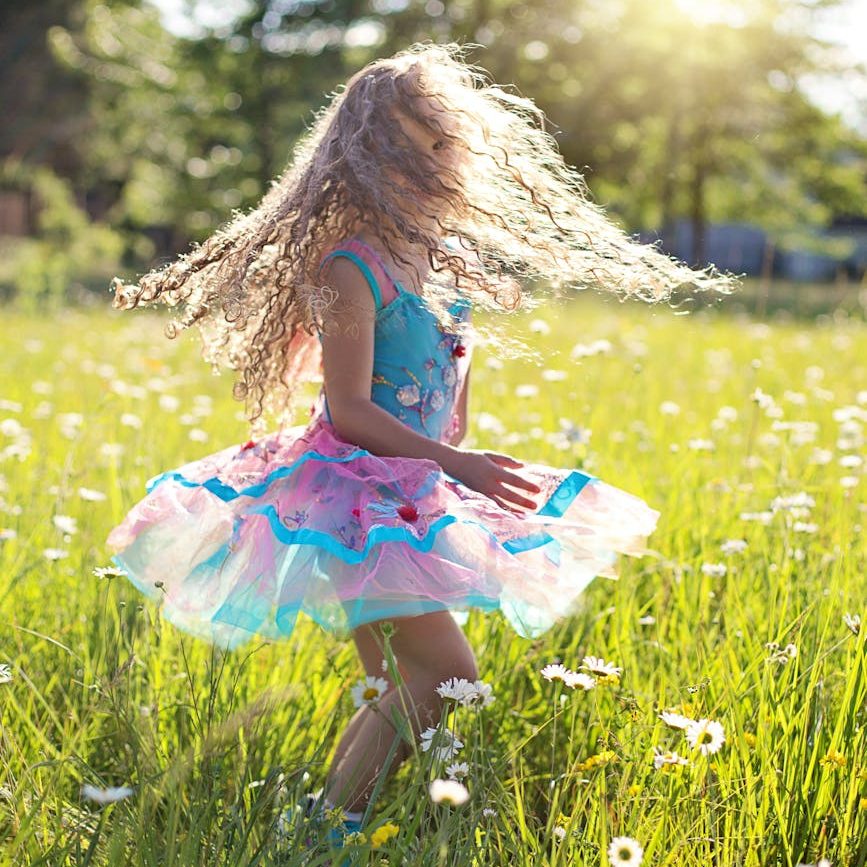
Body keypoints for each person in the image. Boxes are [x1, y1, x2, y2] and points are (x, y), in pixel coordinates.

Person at [105, 41, 737, 851]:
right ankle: (328, 825)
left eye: (445, 143)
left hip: (414, 491)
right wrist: (456, 462)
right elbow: (347, 409)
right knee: (448, 678)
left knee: (391, 684)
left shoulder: (442, 265)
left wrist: (455, 452)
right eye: (415, 145)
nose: (437, 161)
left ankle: (324, 828)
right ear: (369, 155)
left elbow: (446, 396)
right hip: (353, 501)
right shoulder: (346, 268)